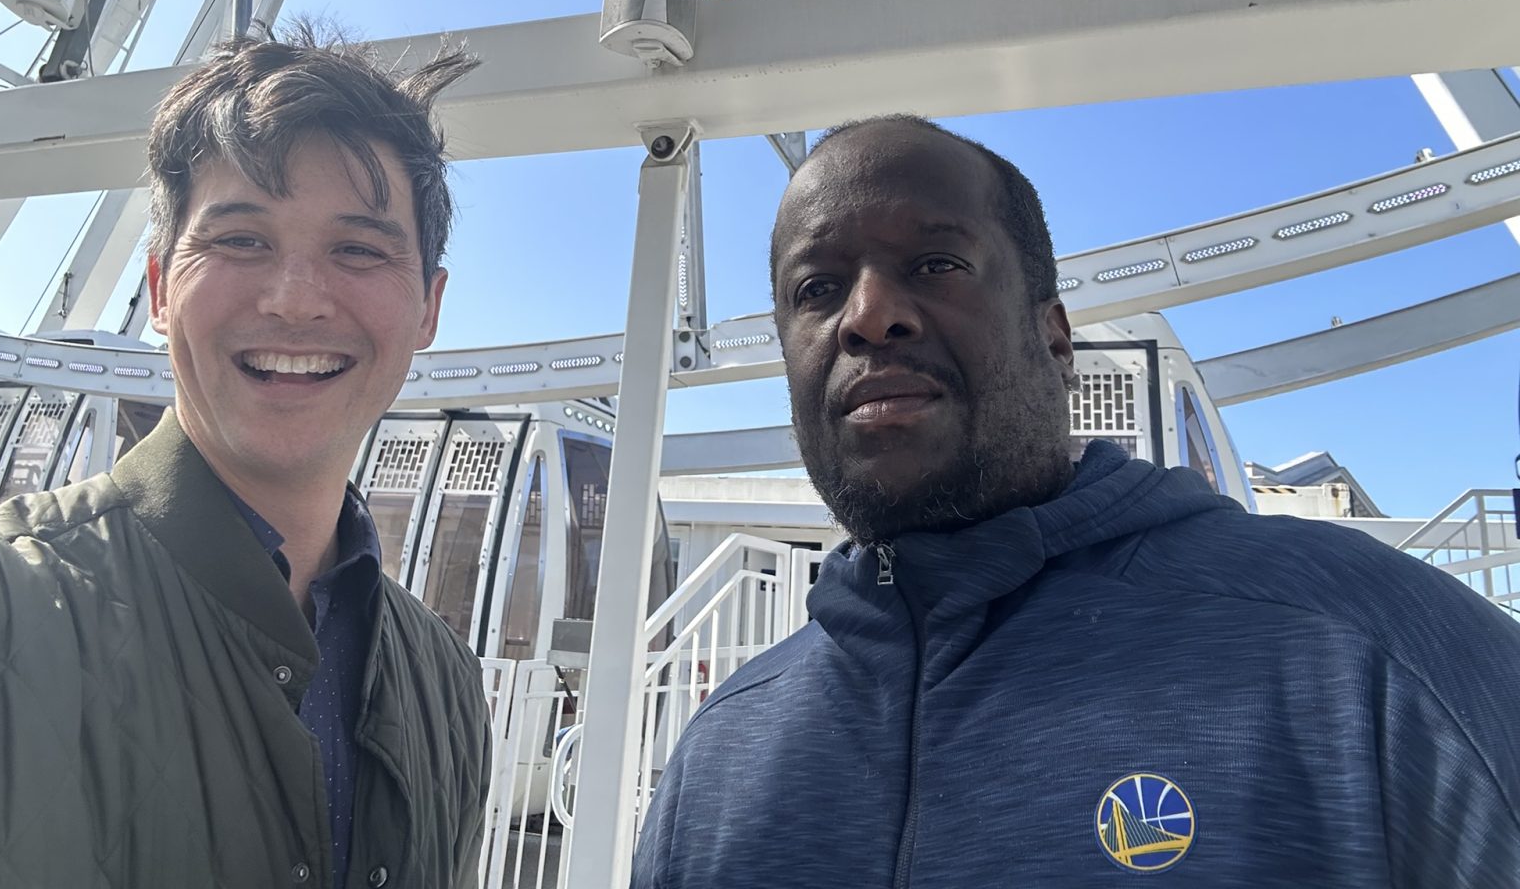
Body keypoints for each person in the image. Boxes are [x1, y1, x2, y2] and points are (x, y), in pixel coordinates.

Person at [633, 114, 1520, 887]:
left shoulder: (1368, 650)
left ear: (1056, 341)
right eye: (817, 289)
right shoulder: (719, 755)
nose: (867, 313)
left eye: (936, 263)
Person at [0, 28, 492, 889]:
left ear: (428, 310)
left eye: (359, 250)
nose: (295, 300)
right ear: (159, 288)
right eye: (240, 240)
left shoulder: (446, 685)